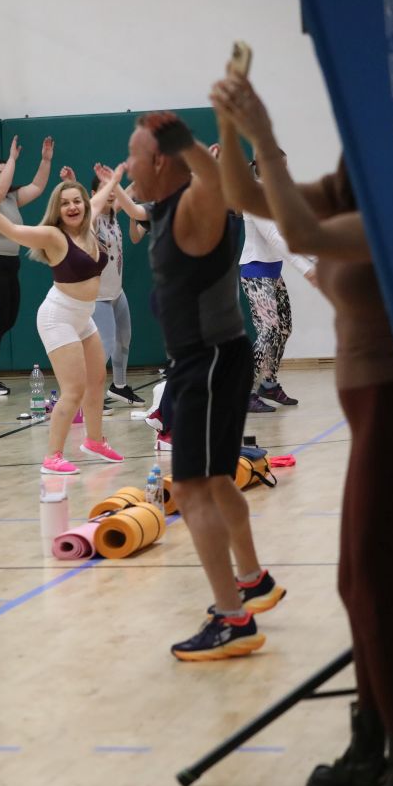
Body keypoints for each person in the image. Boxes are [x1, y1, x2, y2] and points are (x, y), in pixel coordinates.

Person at [213, 72, 393, 786]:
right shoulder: (352, 186)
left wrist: (264, 132)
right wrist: (231, 125)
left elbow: (303, 234)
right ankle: (370, 744)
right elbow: (246, 195)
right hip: (372, 413)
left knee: (368, 589)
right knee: (358, 586)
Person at [124, 111, 284, 661]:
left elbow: (215, 182)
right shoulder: (165, 207)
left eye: (134, 156)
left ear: (159, 160)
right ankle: (253, 581)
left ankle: (233, 619)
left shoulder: (195, 202)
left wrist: (190, 142)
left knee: (192, 489)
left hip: (208, 362)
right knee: (214, 482)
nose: (127, 165)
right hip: (209, 361)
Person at [0, 164, 125, 475]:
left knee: (97, 380)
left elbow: (98, 200)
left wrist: (114, 180)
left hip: (83, 317)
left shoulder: (89, 225)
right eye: (65, 203)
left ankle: (94, 440)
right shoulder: (53, 236)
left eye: (77, 201)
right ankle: (52, 456)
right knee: (74, 389)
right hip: (59, 317)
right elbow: (14, 231)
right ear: (58, 209)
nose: (72, 207)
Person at [0, 134, 53, 394]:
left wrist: (45, 160)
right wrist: (12, 159)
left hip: (10, 264)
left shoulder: (11, 198)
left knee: (7, 321)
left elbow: (37, 187)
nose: (4, 175)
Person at [238, 157, 316, 411]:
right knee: (268, 331)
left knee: (283, 329)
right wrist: (306, 269)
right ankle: (245, 391)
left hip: (272, 273)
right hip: (255, 273)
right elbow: (274, 237)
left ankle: (268, 384)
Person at [89, 167, 143, 407]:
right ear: (94, 194)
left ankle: (119, 386)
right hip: (98, 296)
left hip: (117, 293)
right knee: (105, 346)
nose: (111, 194)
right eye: (105, 189)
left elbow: (130, 190)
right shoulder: (91, 219)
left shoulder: (112, 213)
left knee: (123, 340)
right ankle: (91, 396)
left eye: (112, 190)